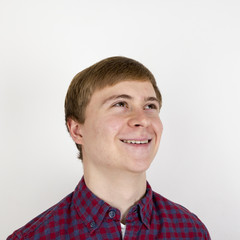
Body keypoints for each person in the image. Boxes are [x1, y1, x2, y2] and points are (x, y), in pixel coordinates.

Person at [7, 56, 211, 239]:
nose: (142, 120)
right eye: (120, 104)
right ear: (77, 130)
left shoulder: (191, 231)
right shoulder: (33, 237)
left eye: (150, 106)